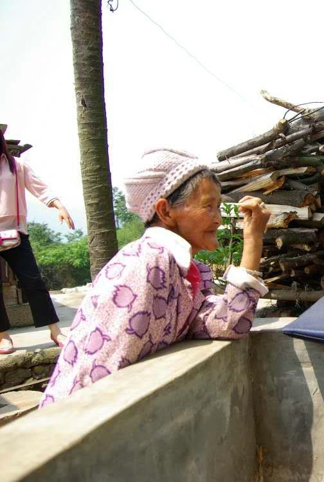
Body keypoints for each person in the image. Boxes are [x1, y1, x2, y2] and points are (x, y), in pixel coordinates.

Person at [40, 148, 271, 406]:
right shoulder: (145, 264)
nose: (218, 219)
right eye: (208, 206)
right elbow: (102, 372)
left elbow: (227, 325)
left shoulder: (188, 269)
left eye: (218, 207)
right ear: (165, 211)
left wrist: (253, 241)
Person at [0, 128, 75, 354]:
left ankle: (55, 330)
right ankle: (3, 337)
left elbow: (40, 188)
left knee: (34, 282)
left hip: (16, 234)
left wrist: (59, 206)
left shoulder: (16, 166)